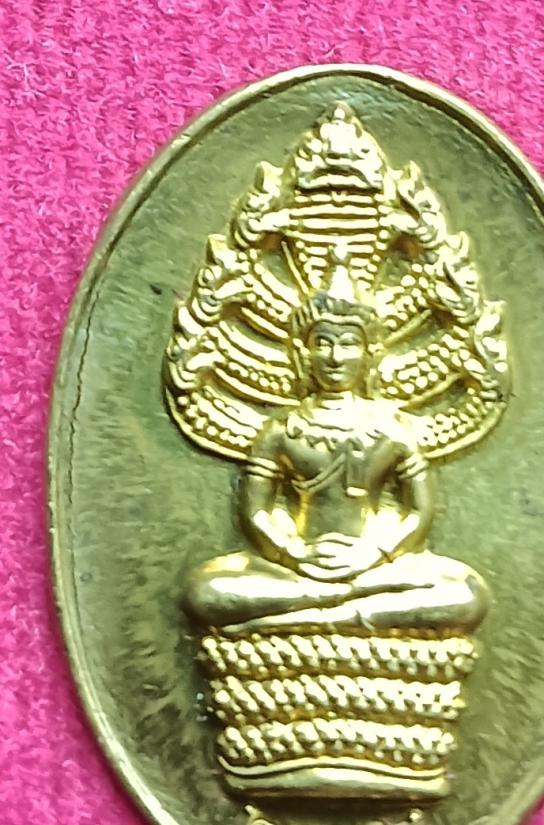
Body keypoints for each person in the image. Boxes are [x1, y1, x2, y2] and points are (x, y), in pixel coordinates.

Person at [184, 257, 489, 637]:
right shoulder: (281, 430)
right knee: (206, 590)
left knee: (466, 594)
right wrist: (293, 553)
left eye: (348, 344)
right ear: (303, 353)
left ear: (369, 353)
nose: (334, 357)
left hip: (377, 569)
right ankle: (341, 606)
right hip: (295, 570)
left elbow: (418, 511)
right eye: (323, 344)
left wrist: (374, 555)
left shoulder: (390, 428)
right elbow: (256, 511)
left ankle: (315, 615)